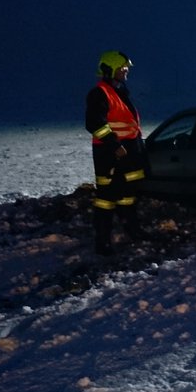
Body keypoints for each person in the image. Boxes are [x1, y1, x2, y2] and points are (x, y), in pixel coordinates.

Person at [85, 50, 148, 256]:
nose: (126, 72)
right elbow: (95, 123)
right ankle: (103, 242)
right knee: (106, 199)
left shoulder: (119, 90)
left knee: (128, 194)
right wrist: (114, 144)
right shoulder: (100, 93)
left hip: (127, 151)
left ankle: (132, 230)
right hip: (109, 154)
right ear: (110, 70)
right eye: (123, 69)